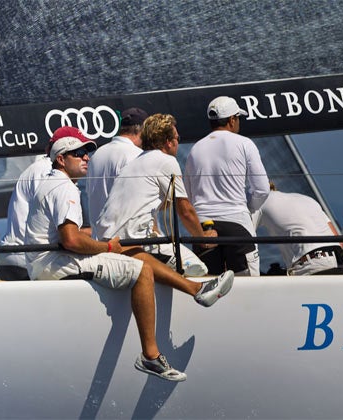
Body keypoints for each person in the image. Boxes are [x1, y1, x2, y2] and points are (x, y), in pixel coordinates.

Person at [24, 126, 234, 382]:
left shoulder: (49, 182)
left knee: (134, 254)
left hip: (46, 262)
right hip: (55, 265)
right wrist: (107, 247)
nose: (86, 157)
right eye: (79, 152)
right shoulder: (64, 187)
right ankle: (151, 355)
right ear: (61, 159)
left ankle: (196, 289)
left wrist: (111, 247)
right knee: (141, 270)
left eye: (88, 152)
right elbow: (70, 239)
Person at [88, 109, 208, 276]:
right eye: (177, 139)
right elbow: (185, 210)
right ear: (168, 142)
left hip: (107, 237)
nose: (178, 143)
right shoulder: (166, 161)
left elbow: (143, 202)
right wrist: (203, 240)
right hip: (132, 239)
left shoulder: (136, 160)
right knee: (198, 268)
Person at [184, 96, 270, 276]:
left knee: (209, 286)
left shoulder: (195, 149)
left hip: (203, 228)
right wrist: (248, 207)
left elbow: (189, 196)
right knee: (248, 287)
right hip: (237, 223)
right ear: (232, 120)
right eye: (238, 118)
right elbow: (262, 189)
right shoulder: (244, 143)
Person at [252, 182, 343, 275]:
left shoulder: (259, 201)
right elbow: (339, 241)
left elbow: (243, 234)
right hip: (340, 262)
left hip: (312, 266)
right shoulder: (307, 199)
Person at [0, 141, 57, 280]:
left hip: (6, 255)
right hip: (28, 257)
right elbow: (68, 235)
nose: (86, 158)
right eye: (79, 153)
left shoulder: (33, 169)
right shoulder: (52, 171)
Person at [87, 107, 148, 231]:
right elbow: (139, 202)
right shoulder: (136, 155)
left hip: (99, 238)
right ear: (142, 130)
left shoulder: (96, 155)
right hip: (125, 240)